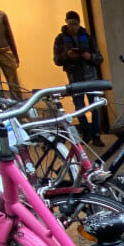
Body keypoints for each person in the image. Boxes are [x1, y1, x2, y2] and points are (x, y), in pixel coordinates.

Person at [52, 10, 105, 146]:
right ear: (66, 23)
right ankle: (86, 133)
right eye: (70, 24)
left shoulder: (88, 37)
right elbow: (57, 60)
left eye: (75, 24)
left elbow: (99, 58)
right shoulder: (60, 39)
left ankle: (96, 135)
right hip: (74, 78)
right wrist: (67, 55)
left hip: (91, 77)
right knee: (79, 107)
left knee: (95, 107)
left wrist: (90, 57)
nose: (73, 27)